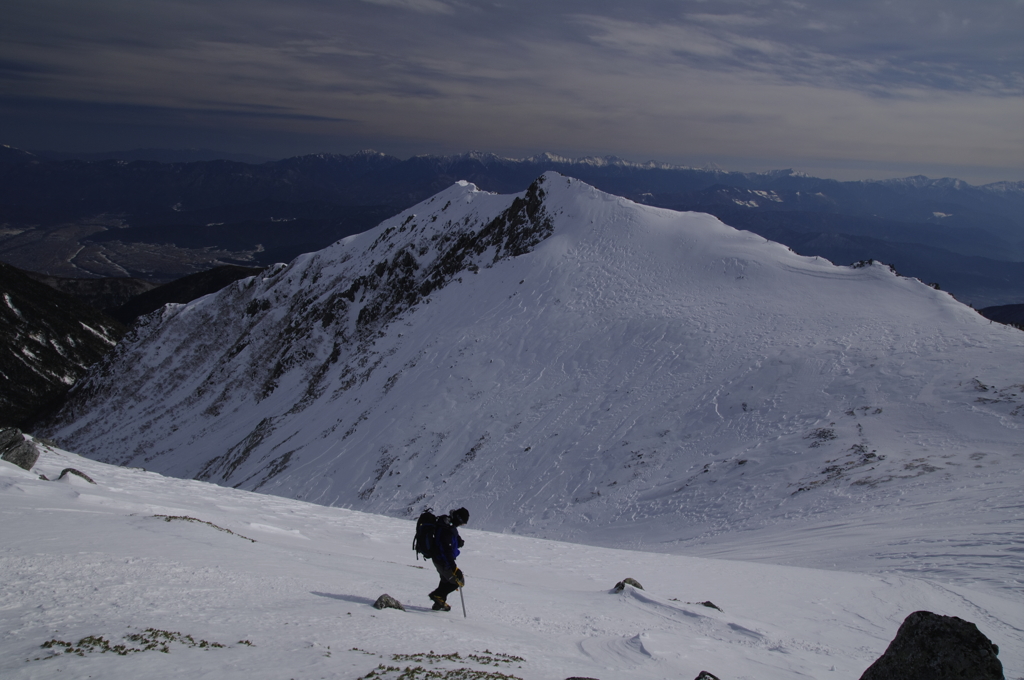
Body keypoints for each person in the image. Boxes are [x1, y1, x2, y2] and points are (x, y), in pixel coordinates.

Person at [428, 507, 469, 611]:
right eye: (462, 523)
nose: (461, 525)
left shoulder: (448, 525)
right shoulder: (447, 529)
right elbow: (446, 551)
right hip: (442, 560)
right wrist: (454, 568)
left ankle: (439, 602)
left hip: (439, 559)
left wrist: (458, 542)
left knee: (446, 579)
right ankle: (437, 595)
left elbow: (450, 540)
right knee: (458, 581)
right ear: (458, 519)